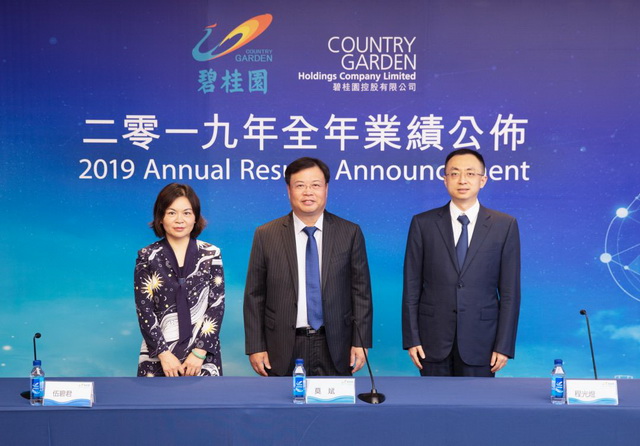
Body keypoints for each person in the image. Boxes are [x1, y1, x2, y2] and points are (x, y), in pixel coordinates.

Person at [244, 157, 373, 377]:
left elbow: (361, 292)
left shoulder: (349, 233)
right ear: (289, 190)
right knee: (283, 400)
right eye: (300, 185)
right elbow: (254, 295)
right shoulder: (266, 235)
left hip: (336, 345)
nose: (308, 192)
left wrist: (361, 342)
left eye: (315, 185)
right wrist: (256, 346)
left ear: (326, 189)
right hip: (282, 346)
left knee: (333, 401)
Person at [402, 149, 521, 377]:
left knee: (477, 400)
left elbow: (510, 292)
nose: (462, 180)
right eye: (454, 173)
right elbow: (411, 286)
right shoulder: (423, 223)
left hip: (483, 341)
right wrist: (412, 338)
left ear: (483, 180)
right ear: (445, 179)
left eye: (470, 173)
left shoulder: (504, 225)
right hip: (432, 340)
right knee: (433, 400)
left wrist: (504, 345)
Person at [134, 183, 224, 377]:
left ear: (195, 217)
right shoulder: (147, 256)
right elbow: (144, 310)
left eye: (187, 213)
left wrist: (199, 353)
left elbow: (216, 306)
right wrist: (164, 355)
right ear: (160, 218)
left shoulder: (211, 254)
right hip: (158, 355)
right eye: (171, 213)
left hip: (202, 356)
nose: (179, 220)